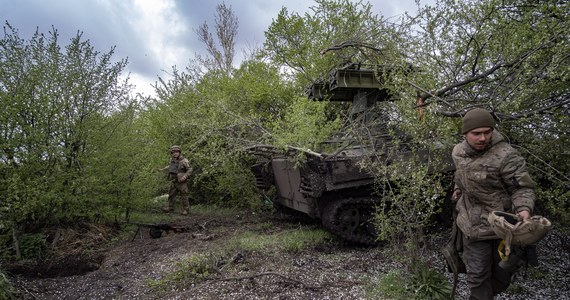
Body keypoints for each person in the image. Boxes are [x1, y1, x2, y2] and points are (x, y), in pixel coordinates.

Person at [451, 108, 536, 300]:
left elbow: (522, 188)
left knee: (501, 275)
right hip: (471, 225)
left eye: (487, 132)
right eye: (476, 133)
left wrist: (523, 208)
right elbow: (461, 173)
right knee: (478, 275)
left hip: (501, 226)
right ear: (465, 134)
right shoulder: (458, 152)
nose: (482, 138)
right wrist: (458, 188)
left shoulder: (506, 155)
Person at [161, 145, 193, 215]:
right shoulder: (172, 160)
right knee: (171, 195)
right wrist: (162, 169)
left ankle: (186, 210)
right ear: (171, 153)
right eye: (173, 152)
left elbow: (190, 169)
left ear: (179, 152)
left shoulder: (184, 160)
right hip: (173, 181)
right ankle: (170, 207)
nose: (175, 153)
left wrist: (185, 176)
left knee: (184, 195)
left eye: (177, 152)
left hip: (181, 181)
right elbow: (170, 166)